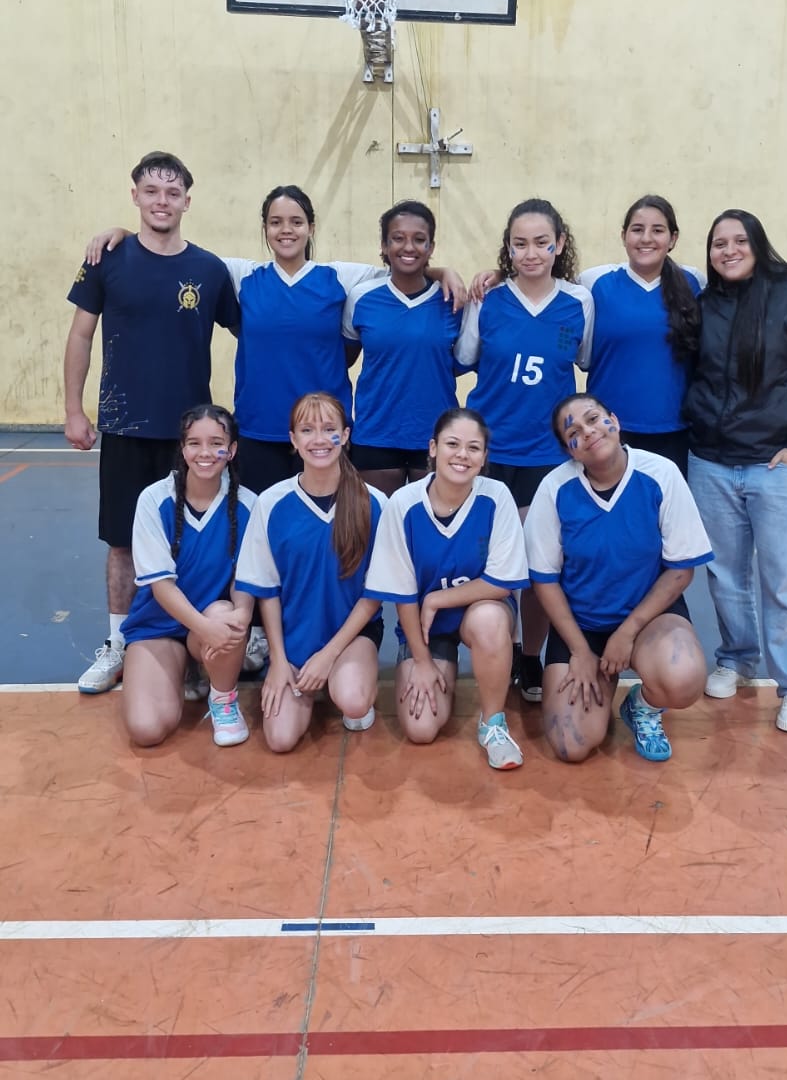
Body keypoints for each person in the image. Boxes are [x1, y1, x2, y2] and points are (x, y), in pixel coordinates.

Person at [84, 185, 465, 496]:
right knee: (261, 531)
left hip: (321, 433)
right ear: (265, 228)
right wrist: (126, 236)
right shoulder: (242, 275)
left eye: (296, 222)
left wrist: (442, 271)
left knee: (325, 530)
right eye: (276, 222)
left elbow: (403, 266)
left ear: (310, 227)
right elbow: (174, 254)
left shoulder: (342, 278)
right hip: (258, 430)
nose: (287, 230)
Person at [65, 152, 240, 695]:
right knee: (122, 542)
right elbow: (80, 335)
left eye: (172, 192)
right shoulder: (106, 260)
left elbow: (257, 332)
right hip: (124, 427)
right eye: (151, 191)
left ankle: (192, 645)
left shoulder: (209, 270)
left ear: (187, 200)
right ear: (135, 196)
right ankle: (119, 644)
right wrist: (73, 410)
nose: (162, 201)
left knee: (193, 543)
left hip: (191, 440)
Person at [683, 210, 787, 735]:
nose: (728, 250)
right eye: (718, 243)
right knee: (725, 577)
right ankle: (737, 657)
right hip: (712, 463)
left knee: (785, 581)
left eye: (738, 241)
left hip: (776, 467)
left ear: (757, 243)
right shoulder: (703, 305)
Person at [455, 199, 594, 703]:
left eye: (541, 242)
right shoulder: (488, 299)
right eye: (520, 244)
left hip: (548, 456)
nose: (531, 252)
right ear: (508, 248)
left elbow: (583, 360)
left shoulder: (578, 302)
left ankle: (530, 655)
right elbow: (465, 356)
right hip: (488, 453)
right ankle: (501, 647)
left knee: (540, 567)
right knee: (489, 561)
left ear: (559, 244)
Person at [525, 394, 711, 764]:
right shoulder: (554, 488)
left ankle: (643, 706)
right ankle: (600, 682)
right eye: (574, 433)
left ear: (614, 420)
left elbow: (680, 570)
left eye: (594, 419)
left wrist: (627, 632)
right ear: (569, 451)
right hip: (582, 625)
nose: (588, 432)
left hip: (647, 618)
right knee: (571, 744)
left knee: (684, 678)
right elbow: (544, 580)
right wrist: (580, 650)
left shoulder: (660, 474)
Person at [362, 407, 530, 770]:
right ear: (433, 448)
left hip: (479, 611)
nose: (462, 455)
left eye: (474, 448)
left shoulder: (496, 496)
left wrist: (438, 598)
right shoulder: (403, 504)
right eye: (453, 444)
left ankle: (493, 723)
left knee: (488, 620)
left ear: (484, 457)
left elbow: (501, 582)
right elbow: (403, 593)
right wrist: (422, 661)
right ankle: (438, 668)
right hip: (426, 627)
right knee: (420, 728)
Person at [234, 392, 386, 751]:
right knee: (280, 739)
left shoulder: (375, 503)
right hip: (293, 640)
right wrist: (278, 661)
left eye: (330, 429)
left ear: (345, 435)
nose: (319, 440)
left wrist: (328, 656)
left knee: (352, 701)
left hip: (351, 637)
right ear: (293, 439)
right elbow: (266, 590)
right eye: (307, 430)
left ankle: (346, 681)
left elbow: (374, 595)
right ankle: (309, 680)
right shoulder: (271, 503)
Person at [120, 405, 255, 748]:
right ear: (182, 448)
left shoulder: (249, 505)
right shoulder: (154, 500)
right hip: (158, 626)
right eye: (194, 443)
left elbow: (243, 580)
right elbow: (161, 588)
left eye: (216, 443)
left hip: (212, 619)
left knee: (228, 616)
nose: (205, 452)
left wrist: (242, 614)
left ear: (232, 450)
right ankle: (184, 670)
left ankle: (223, 699)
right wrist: (205, 628)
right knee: (147, 730)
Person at [343, 201, 465, 496]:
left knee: (432, 521)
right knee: (375, 520)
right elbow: (345, 358)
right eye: (398, 238)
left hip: (435, 432)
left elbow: (457, 364)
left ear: (431, 247)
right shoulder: (362, 297)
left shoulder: (453, 299)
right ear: (384, 245)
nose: (408, 247)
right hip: (376, 433)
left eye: (419, 239)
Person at [580, 195, 703, 476]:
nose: (646, 238)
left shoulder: (694, 282)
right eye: (637, 229)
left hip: (676, 432)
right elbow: (544, 284)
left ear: (673, 238)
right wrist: (500, 274)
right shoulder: (593, 282)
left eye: (657, 230)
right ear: (624, 235)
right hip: (607, 432)